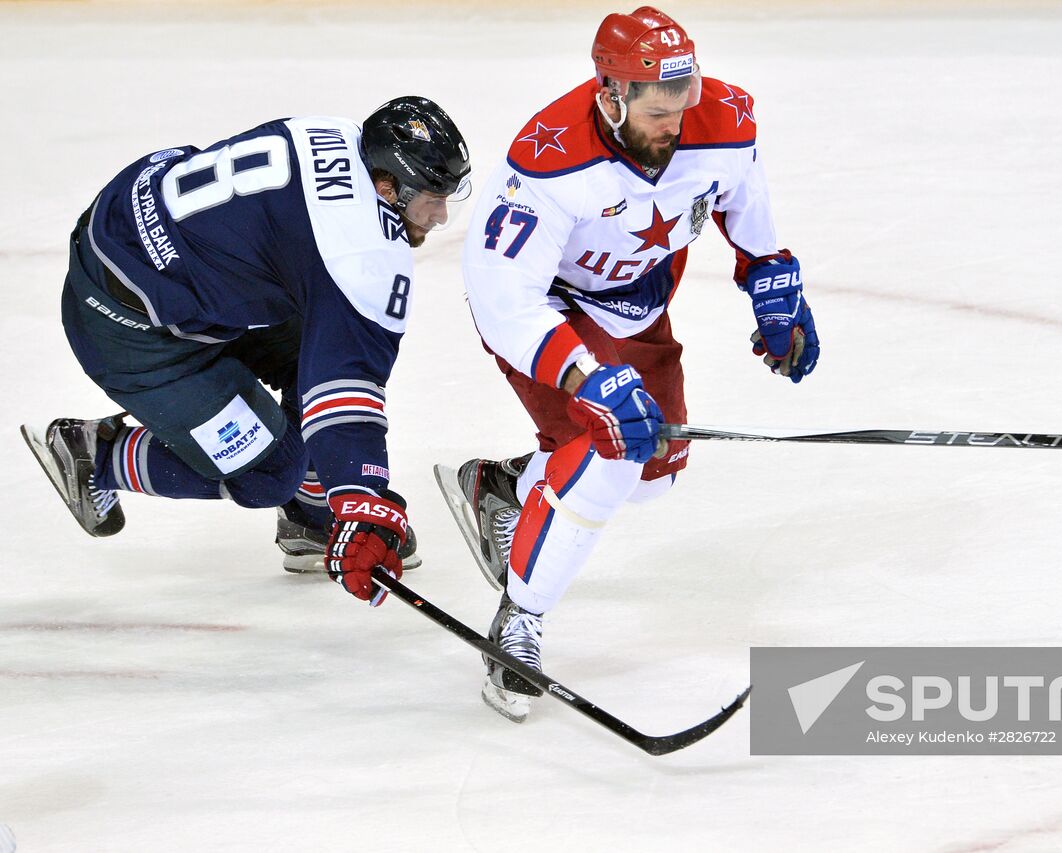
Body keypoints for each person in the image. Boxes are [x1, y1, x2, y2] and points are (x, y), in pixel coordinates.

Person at [438, 6, 820, 721]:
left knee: (651, 475)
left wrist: (772, 284)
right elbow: (503, 297)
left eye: (683, 101)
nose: (673, 124)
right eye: (654, 108)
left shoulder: (725, 121)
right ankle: (519, 619)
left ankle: (507, 485)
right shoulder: (550, 161)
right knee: (610, 454)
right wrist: (589, 376)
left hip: (636, 309)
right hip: (548, 316)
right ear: (609, 93)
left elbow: (744, 206)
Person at [22, 97, 472, 606]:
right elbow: (347, 385)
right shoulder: (360, 251)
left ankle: (313, 512)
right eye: (430, 199)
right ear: (387, 186)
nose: (439, 218)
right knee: (270, 472)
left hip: (133, 236)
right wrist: (362, 502)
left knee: (321, 327)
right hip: (128, 329)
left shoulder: (332, 132)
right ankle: (97, 456)